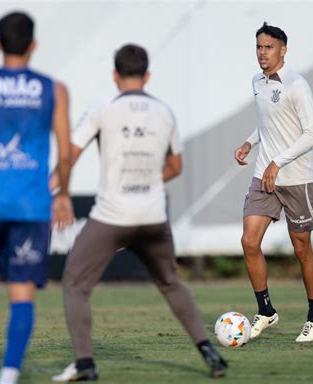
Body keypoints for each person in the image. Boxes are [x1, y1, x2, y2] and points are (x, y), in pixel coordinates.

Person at [51, 44, 227, 382]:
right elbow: (176, 166)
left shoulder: (104, 107)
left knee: (75, 283)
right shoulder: (164, 112)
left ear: (115, 75)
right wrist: (148, 180)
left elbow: (68, 156)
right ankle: (208, 350)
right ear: (147, 76)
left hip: (113, 217)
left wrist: (59, 194)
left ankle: (85, 365)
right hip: (152, 217)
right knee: (170, 282)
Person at [0, 12, 74, 384]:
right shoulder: (54, 89)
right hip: (31, 205)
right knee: (21, 294)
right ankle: (7, 375)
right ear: (33, 45)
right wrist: (64, 192)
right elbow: (65, 152)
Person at [234, 22, 313, 342]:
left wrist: (278, 161)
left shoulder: (297, 85)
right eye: (258, 47)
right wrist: (249, 142)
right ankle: (266, 311)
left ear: (283, 50)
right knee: (248, 242)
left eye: (268, 47)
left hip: (297, 179)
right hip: (264, 177)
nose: (262, 53)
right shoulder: (257, 81)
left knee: (302, 249)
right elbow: (268, 124)